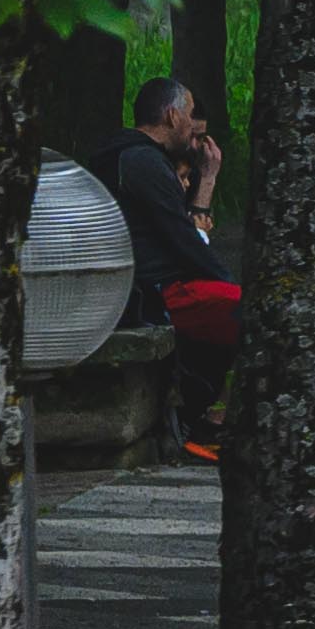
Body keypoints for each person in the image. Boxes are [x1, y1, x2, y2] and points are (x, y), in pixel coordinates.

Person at [91, 75, 245, 461]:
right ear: (173, 115)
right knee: (252, 311)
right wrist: (227, 281)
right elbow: (182, 239)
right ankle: (214, 420)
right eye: (191, 116)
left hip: (136, 288)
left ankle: (207, 414)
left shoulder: (120, 155)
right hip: (153, 293)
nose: (194, 128)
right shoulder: (143, 161)